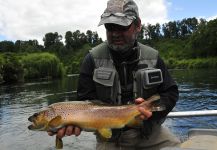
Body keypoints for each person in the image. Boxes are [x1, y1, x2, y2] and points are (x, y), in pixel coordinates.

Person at [48, 0, 181, 149]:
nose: (115, 33)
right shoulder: (91, 60)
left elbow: (170, 93)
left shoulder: (153, 57)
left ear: (138, 26)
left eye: (122, 27)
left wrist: (151, 111)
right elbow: (83, 102)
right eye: (110, 27)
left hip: (149, 133)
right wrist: (72, 123)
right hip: (110, 139)